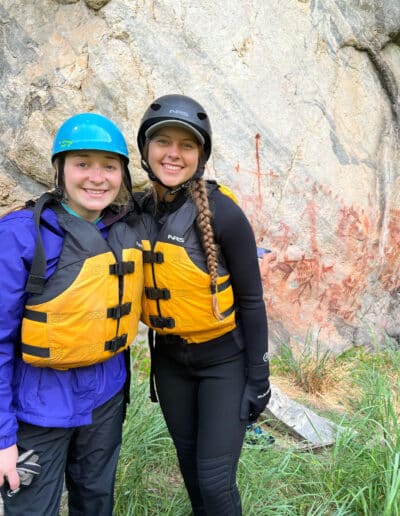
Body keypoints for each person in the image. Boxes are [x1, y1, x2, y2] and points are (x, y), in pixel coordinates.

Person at [0, 113, 144, 515]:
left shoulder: (122, 230)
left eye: (109, 167)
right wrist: (2, 440)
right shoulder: (19, 236)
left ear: (122, 176)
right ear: (59, 170)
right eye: (82, 163)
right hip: (38, 410)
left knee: (96, 503)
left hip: (105, 401)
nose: (97, 177)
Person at [136, 94, 271, 515]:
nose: (173, 154)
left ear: (201, 155)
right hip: (171, 363)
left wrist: (259, 378)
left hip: (223, 364)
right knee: (193, 475)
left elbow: (251, 301)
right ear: (145, 149)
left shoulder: (224, 215)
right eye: (163, 142)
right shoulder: (135, 212)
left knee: (215, 482)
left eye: (187, 145)